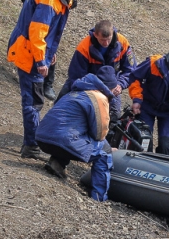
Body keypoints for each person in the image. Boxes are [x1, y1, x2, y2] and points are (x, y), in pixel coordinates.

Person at [7, 0, 87, 160]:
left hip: (35, 52)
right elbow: (37, 32)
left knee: (34, 99)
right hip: (30, 53)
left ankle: (32, 143)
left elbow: (49, 31)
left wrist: (50, 53)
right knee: (33, 101)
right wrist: (41, 60)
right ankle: (31, 146)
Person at [35, 67, 116, 201]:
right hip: (62, 140)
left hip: (43, 137)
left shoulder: (76, 91)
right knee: (104, 151)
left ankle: (57, 163)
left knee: (71, 134)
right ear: (109, 87)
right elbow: (99, 134)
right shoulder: (99, 97)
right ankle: (99, 196)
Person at [59, 20, 135, 122]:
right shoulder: (84, 47)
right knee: (62, 106)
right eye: (103, 40)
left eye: (108, 39)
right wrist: (93, 91)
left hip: (112, 86)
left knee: (114, 117)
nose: (106, 43)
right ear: (95, 35)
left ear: (113, 33)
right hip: (88, 84)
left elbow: (131, 70)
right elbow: (76, 76)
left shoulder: (123, 43)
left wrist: (120, 85)